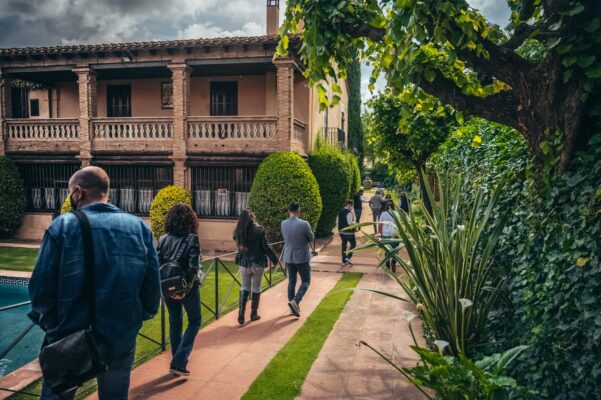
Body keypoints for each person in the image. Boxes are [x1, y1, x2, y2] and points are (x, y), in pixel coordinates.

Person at [29, 166, 160, 400]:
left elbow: (41, 288)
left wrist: (52, 326)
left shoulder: (63, 225)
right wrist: (138, 318)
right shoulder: (140, 227)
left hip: (69, 335)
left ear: (78, 192)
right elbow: (151, 287)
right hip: (121, 334)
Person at [157, 204, 202, 377]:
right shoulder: (192, 239)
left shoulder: (162, 239)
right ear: (190, 219)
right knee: (195, 320)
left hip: (167, 286)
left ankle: (178, 362)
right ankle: (179, 361)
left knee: (175, 322)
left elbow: (158, 264)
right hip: (186, 287)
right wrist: (184, 290)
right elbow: (192, 268)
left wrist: (170, 290)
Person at [234, 208, 278, 325]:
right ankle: (253, 314)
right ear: (253, 216)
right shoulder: (259, 229)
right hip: (258, 263)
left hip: (244, 263)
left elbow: (235, 239)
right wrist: (275, 259)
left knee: (244, 287)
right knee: (256, 288)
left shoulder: (239, 230)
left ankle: (241, 314)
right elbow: (265, 247)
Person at [281, 202, 314, 318]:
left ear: (289, 211)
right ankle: (296, 301)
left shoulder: (283, 223)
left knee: (292, 281)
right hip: (302, 257)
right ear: (298, 210)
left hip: (289, 256)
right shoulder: (304, 224)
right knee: (306, 280)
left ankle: (292, 307)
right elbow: (311, 238)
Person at [378, 202, 399, 273]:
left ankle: (387, 264)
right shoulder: (397, 214)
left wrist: (379, 234)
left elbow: (380, 225)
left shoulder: (383, 214)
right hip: (395, 234)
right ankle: (393, 261)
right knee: (395, 250)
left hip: (385, 234)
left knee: (387, 250)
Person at [337, 199, 356, 266]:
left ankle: (343, 261)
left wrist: (339, 230)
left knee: (344, 246)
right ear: (349, 205)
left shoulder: (340, 211)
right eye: (351, 205)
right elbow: (349, 223)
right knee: (353, 244)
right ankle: (348, 257)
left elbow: (337, 222)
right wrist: (355, 223)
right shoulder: (349, 212)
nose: (351, 207)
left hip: (341, 232)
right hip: (349, 233)